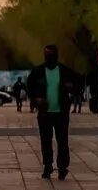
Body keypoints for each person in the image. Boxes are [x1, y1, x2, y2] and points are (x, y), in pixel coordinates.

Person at [25, 45, 83, 179]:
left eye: (51, 54)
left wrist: (72, 88)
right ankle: (48, 166)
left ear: (56, 55)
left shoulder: (64, 71)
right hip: (45, 113)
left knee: (62, 141)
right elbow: (30, 87)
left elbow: (80, 81)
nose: (49, 57)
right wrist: (36, 99)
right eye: (47, 54)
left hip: (61, 113)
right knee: (46, 141)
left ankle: (63, 168)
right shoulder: (38, 72)